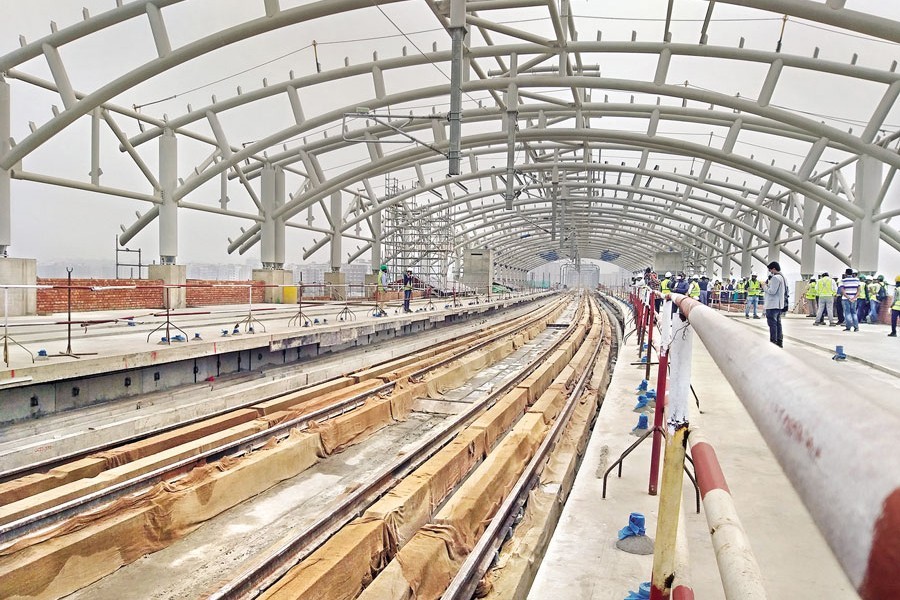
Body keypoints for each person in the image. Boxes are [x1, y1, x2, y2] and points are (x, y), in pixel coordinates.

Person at [763, 261, 787, 347]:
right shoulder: (783, 277)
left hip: (772, 305)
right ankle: (779, 341)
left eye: (770, 270)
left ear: (773, 268)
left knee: (772, 324)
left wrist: (764, 286)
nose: (770, 272)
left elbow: (772, 291)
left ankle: (773, 342)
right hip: (779, 305)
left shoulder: (775, 278)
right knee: (778, 324)